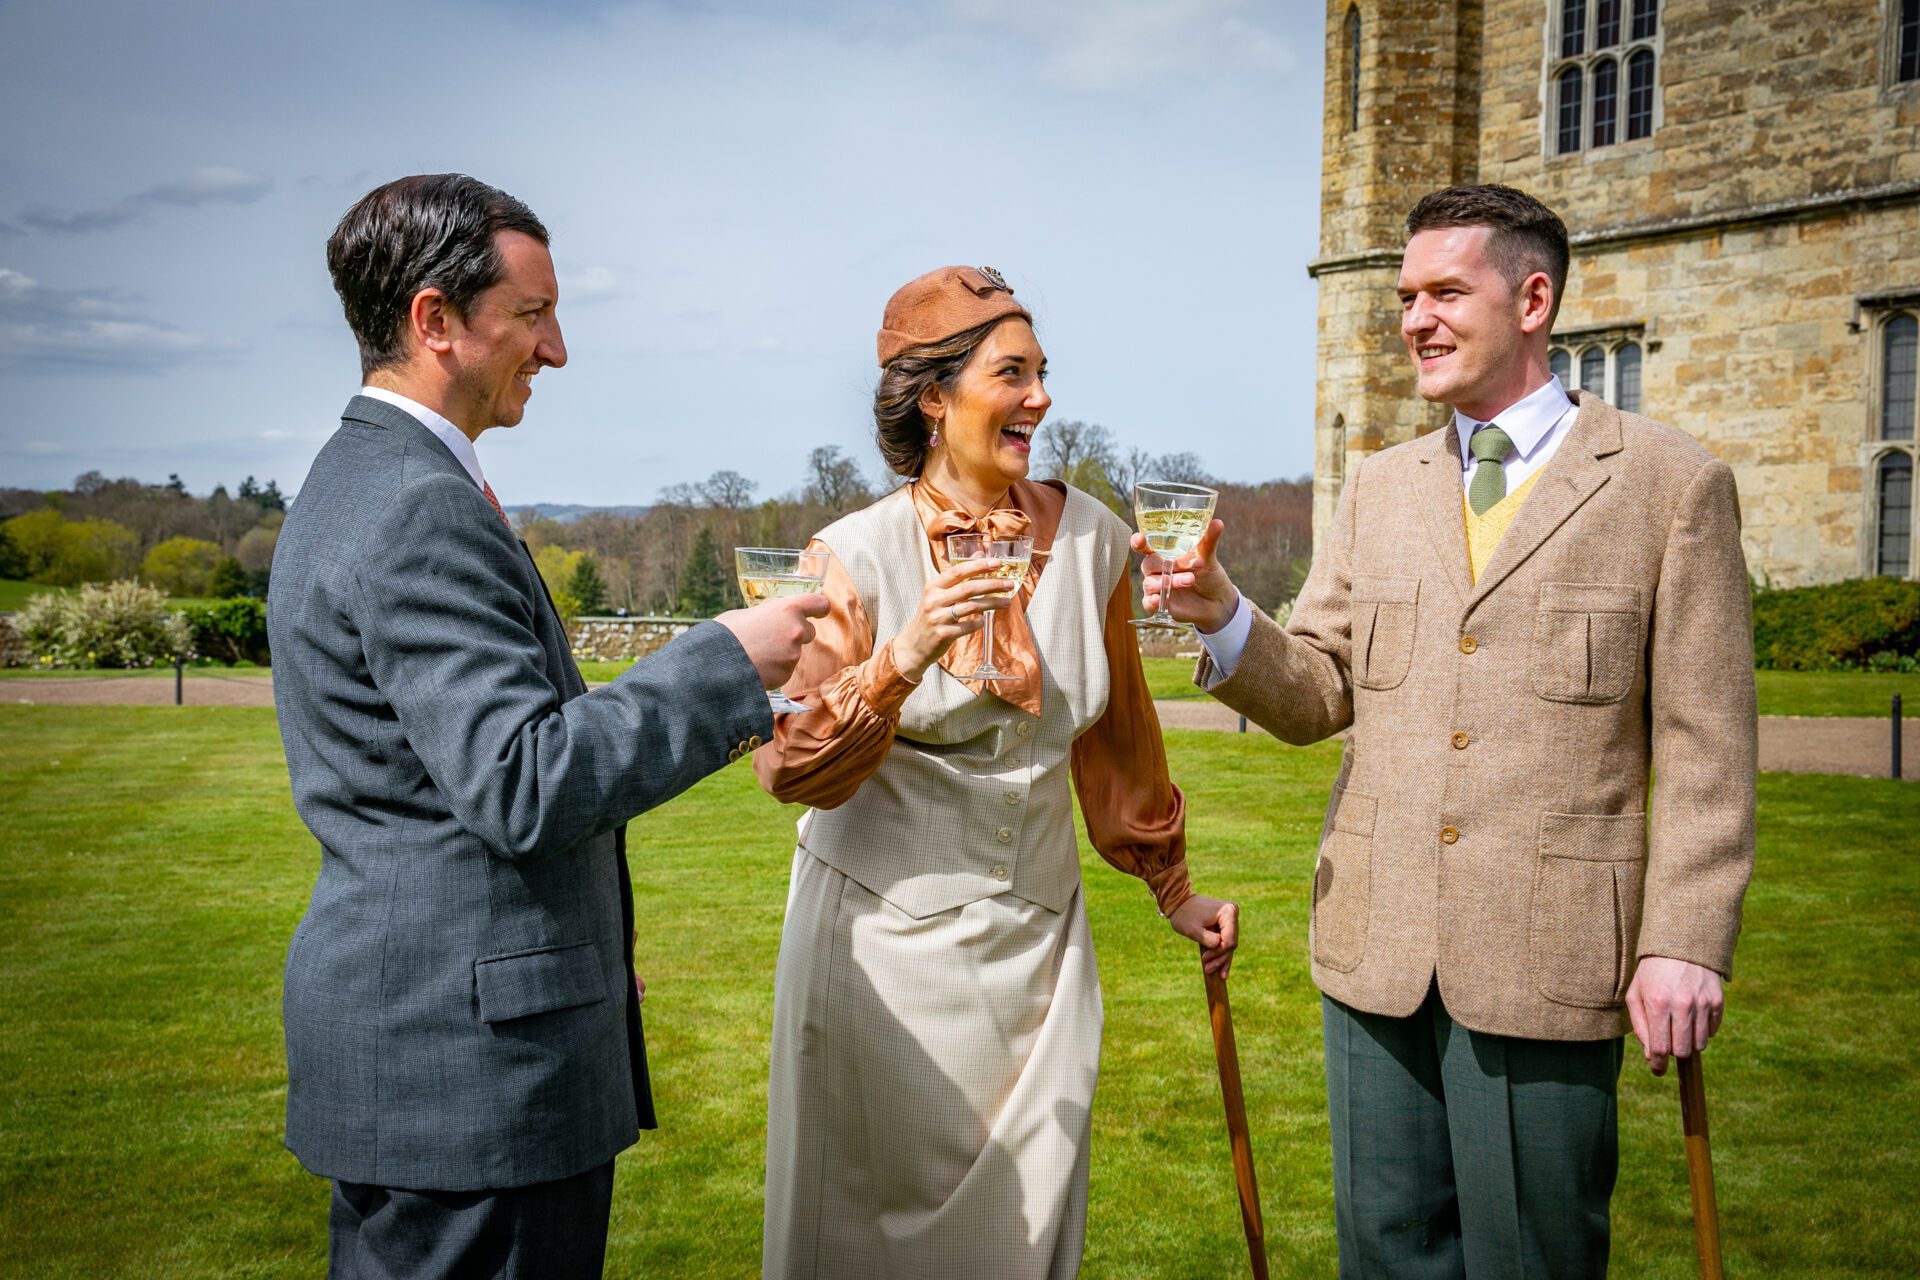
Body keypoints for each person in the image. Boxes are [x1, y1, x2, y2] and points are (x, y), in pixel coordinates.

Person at [1141, 184, 1757, 1277]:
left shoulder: (1671, 485)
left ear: (1532, 298)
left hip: (1552, 953)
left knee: (1533, 1258)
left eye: (1442, 292)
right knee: (1383, 1252)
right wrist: (1225, 614)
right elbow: (1319, 692)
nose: (1414, 318)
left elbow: (1709, 747)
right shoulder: (1378, 487)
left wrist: (1683, 939)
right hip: (1372, 946)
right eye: (1404, 297)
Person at [269, 173, 827, 1279]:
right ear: (436, 320)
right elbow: (520, 780)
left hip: (423, 1055)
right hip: (471, 1081)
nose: (558, 348)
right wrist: (727, 661)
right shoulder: (418, 501)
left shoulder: (365, 476)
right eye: (532, 315)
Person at [753, 266, 1240, 1278]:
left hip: (1040, 954)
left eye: (1043, 372)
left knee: (1021, 1242)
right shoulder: (844, 554)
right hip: (875, 960)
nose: (1041, 397)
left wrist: (1174, 888)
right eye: (1011, 372)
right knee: (858, 1243)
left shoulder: (1098, 538)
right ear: (934, 396)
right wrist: (899, 656)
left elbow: (1119, 739)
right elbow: (792, 765)